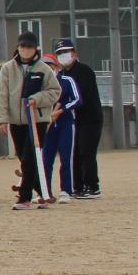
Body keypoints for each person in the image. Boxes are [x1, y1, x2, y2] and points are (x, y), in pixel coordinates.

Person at [0, 30, 55, 211]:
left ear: (35, 48)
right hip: (17, 121)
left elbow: (54, 91)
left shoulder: (44, 69)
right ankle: (43, 193)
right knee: (25, 159)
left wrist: (38, 99)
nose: (25, 50)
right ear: (18, 48)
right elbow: (1, 95)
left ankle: (24, 198)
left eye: (29, 46)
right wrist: (2, 119)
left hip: (38, 121)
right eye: (22, 46)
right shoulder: (8, 68)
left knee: (30, 158)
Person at [58, 39, 104, 199]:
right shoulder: (61, 75)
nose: (63, 55)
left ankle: (92, 187)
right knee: (74, 152)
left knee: (86, 151)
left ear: (74, 53)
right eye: (59, 53)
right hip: (73, 120)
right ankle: (78, 186)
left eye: (66, 52)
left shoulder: (84, 71)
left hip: (90, 118)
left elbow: (81, 96)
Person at [39, 52, 80, 203]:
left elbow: (78, 99)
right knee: (46, 159)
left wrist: (61, 110)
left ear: (56, 66)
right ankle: (45, 191)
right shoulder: (40, 83)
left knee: (65, 157)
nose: (47, 68)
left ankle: (66, 190)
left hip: (66, 124)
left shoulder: (67, 80)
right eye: (44, 65)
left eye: (50, 65)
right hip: (46, 125)